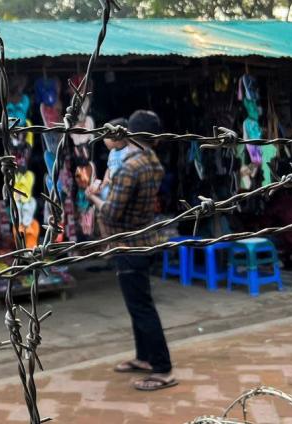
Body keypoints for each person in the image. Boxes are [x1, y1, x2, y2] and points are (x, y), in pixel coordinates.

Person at [86, 110, 177, 391]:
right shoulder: (153, 162)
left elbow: (111, 212)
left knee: (141, 308)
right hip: (145, 239)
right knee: (138, 306)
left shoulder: (130, 168)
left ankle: (163, 369)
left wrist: (93, 197)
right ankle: (144, 358)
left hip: (128, 245)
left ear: (131, 134)